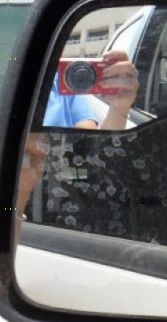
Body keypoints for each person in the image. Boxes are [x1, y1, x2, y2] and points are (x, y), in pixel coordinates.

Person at [16, 50, 139, 232]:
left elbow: (94, 154)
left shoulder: (63, 80)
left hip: (58, 203)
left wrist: (119, 108)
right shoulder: (11, 86)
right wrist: (14, 208)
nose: (41, 145)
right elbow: (4, 210)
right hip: (21, 205)